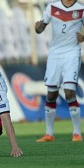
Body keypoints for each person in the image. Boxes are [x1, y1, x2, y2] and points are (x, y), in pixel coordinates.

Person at [35, 0, 83, 142]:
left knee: (69, 92)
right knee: (51, 94)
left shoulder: (81, 8)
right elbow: (40, 28)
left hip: (72, 53)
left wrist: (83, 37)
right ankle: (49, 134)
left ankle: (77, 133)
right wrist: (38, 27)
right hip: (55, 54)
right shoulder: (52, 7)